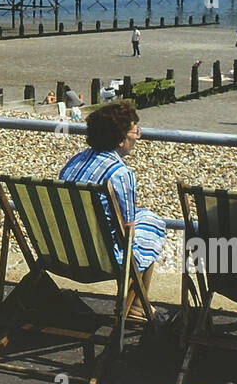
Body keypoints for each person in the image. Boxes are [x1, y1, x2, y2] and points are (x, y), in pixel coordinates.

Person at [60, 102, 166, 314]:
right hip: (101, 261)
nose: (138, 137)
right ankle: (134, 304)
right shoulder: (120, 174)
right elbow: (128, 233)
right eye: (135, 131)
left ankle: (134, 304)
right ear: (120, 139)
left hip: (62, 253)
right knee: (152, 225)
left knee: (144, 218)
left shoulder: (73, 162)